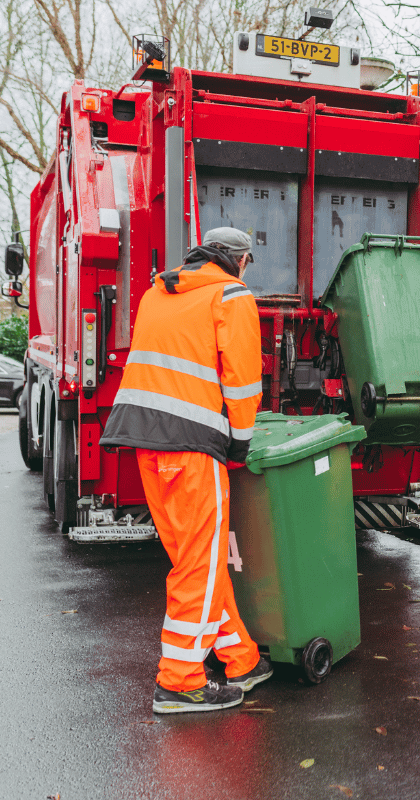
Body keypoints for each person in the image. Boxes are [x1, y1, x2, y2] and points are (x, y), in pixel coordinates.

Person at [101, 227, 271, 713]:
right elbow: (241, 384)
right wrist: (239, 444)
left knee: (197, 559)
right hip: (194, 447)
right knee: (199, 564)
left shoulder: (158, 292)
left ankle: (241, 658)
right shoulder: (232, 295)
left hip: (147, 445)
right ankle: (178, 682)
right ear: (238, 260)